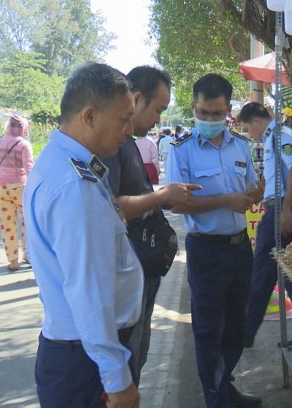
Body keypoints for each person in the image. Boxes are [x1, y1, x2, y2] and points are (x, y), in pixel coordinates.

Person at [24, 63, 143, 408]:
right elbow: (88, 290)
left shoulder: (65, 164)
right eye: (123, 119)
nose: (129, 129)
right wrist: (116, 380)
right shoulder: (74, 185)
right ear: (90, 116)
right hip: (84, 360)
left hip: (77, 352)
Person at [167, 73, 264, 408]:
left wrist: (256, 193)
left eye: (216, 114)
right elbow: (177, 204)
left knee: (238, 325)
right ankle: (216, 400)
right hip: (206, 250)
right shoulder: (181, 150)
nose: (209, 120)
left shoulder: (241, 145)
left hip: (240, 248)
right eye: (203, 113)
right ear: (194, 107)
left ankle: (226, 387)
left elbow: (250, 190)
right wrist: (226, 200)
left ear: (229, 111)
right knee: (209, 330)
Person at [104, 65, 198, 386]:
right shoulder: (111, 147)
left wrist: (162, 198)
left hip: (142, 271)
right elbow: (110, 208)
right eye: (158, 109)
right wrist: (160, 199)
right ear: (137, 99)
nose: (159, 119)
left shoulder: (127, 143)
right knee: (126, 368)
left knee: (137, 360)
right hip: (127, 275)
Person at [236, 102, 292, 348]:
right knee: (289, 273)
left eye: (247, 128)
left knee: (262, 269)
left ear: (255, 121)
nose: (250, 134)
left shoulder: (280, 135)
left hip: (282, 208)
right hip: (277, 206)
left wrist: (285, 210)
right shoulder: (274, 137)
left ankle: (247, 330)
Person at [0, 115, 34, 271]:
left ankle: (12, 260)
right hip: (21, 187)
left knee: (7, 224)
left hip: (1, 188)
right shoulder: (24, 145)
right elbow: (29, 167)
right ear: (23, 128)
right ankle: (28, 253)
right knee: (28, 221)